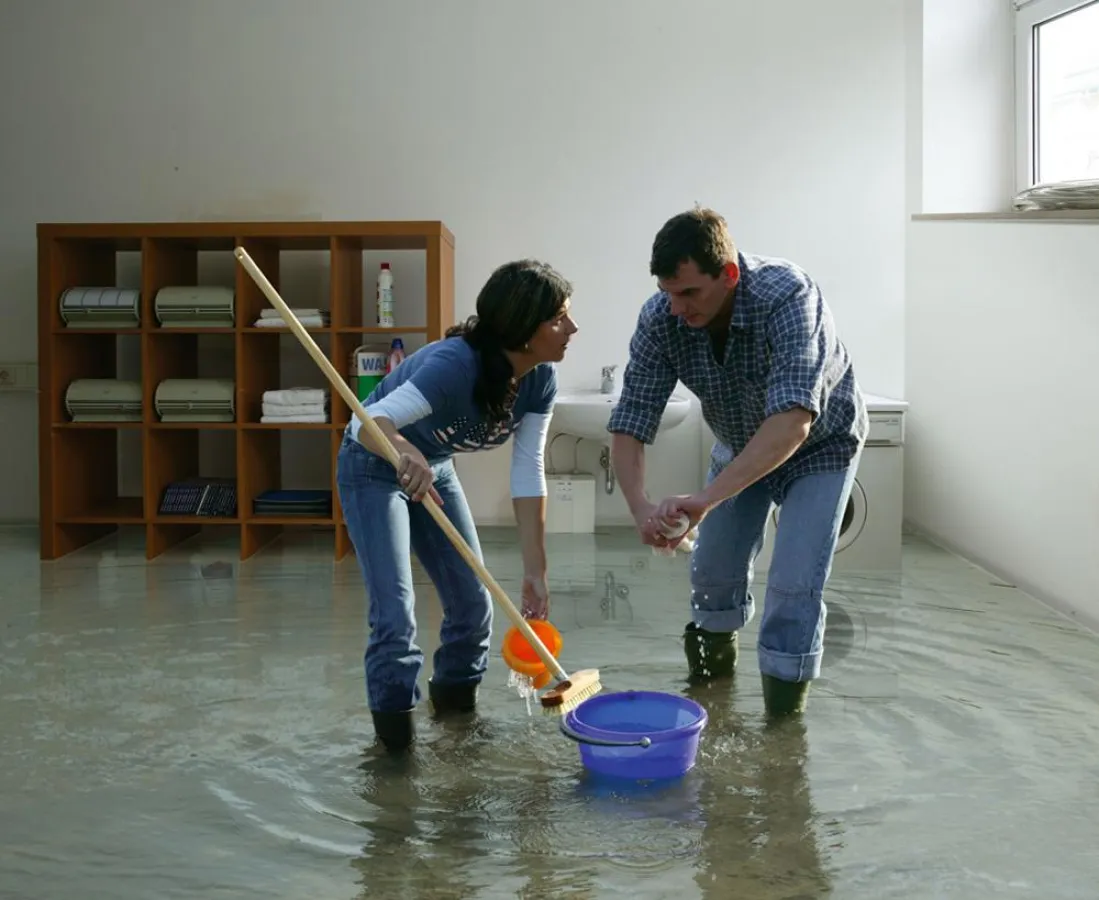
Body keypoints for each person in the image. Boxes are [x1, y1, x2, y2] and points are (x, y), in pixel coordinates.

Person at [607, 207, 867, 716]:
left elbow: (793, 423)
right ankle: (710, 709)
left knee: (793, 588)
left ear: (727, 275)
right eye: (668, 293)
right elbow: (631, 420)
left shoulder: (789, 295)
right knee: (712, 577)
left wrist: (703, 499)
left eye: (689, 293)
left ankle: (781, 739)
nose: (677, 308)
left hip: (821, 449)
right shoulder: (662, 318)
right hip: (738, 443)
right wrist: (639, 509)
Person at [336, 259, 578, 752]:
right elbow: (369, 421)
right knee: (397, 616)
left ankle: (455, 728)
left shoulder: (538, 380)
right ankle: (395, 757)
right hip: (373, 464)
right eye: (558, 318)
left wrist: (536, 571)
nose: (572, 328)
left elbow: (528, 471)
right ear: (522, 329)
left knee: (473, 605)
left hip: (434, 466)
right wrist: (403, 451)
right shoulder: (454, 367)